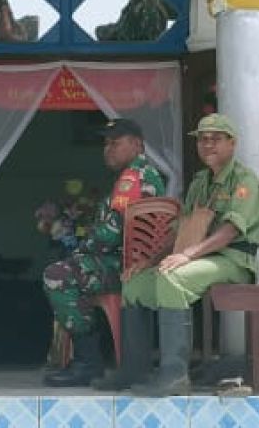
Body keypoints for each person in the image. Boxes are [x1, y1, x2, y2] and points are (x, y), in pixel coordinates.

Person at [107, 113, 259, 396]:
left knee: (173, 278)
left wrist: (188, 255)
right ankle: (134, 370)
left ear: (232, 143)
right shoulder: (200, 182)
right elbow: (179, 229)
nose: (208, 145)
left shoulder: (244, 181)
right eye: (203, 140)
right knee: (134, 284)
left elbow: (230, 231)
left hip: (233, 260)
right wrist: (149, 261)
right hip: (198, 257)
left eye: (216, 139)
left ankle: (174, 375)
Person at [42, 117, 166, 387]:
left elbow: (110, 232)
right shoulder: (145, 173)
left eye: (115, 143)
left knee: (58, 275)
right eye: (105, 144)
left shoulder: (132, 177)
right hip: (133, 264)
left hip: (125, 267)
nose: (107, 149)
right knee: (74, 270)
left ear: (137, 145)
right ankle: (88, 359)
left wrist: (81, 251)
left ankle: (87, 362)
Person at [95, 0, 176, 42]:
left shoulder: (122, 21)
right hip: (152, 20)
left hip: (156, 7)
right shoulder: (124, 35)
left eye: (107, 26)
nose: (108, 25)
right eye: (106, 29)